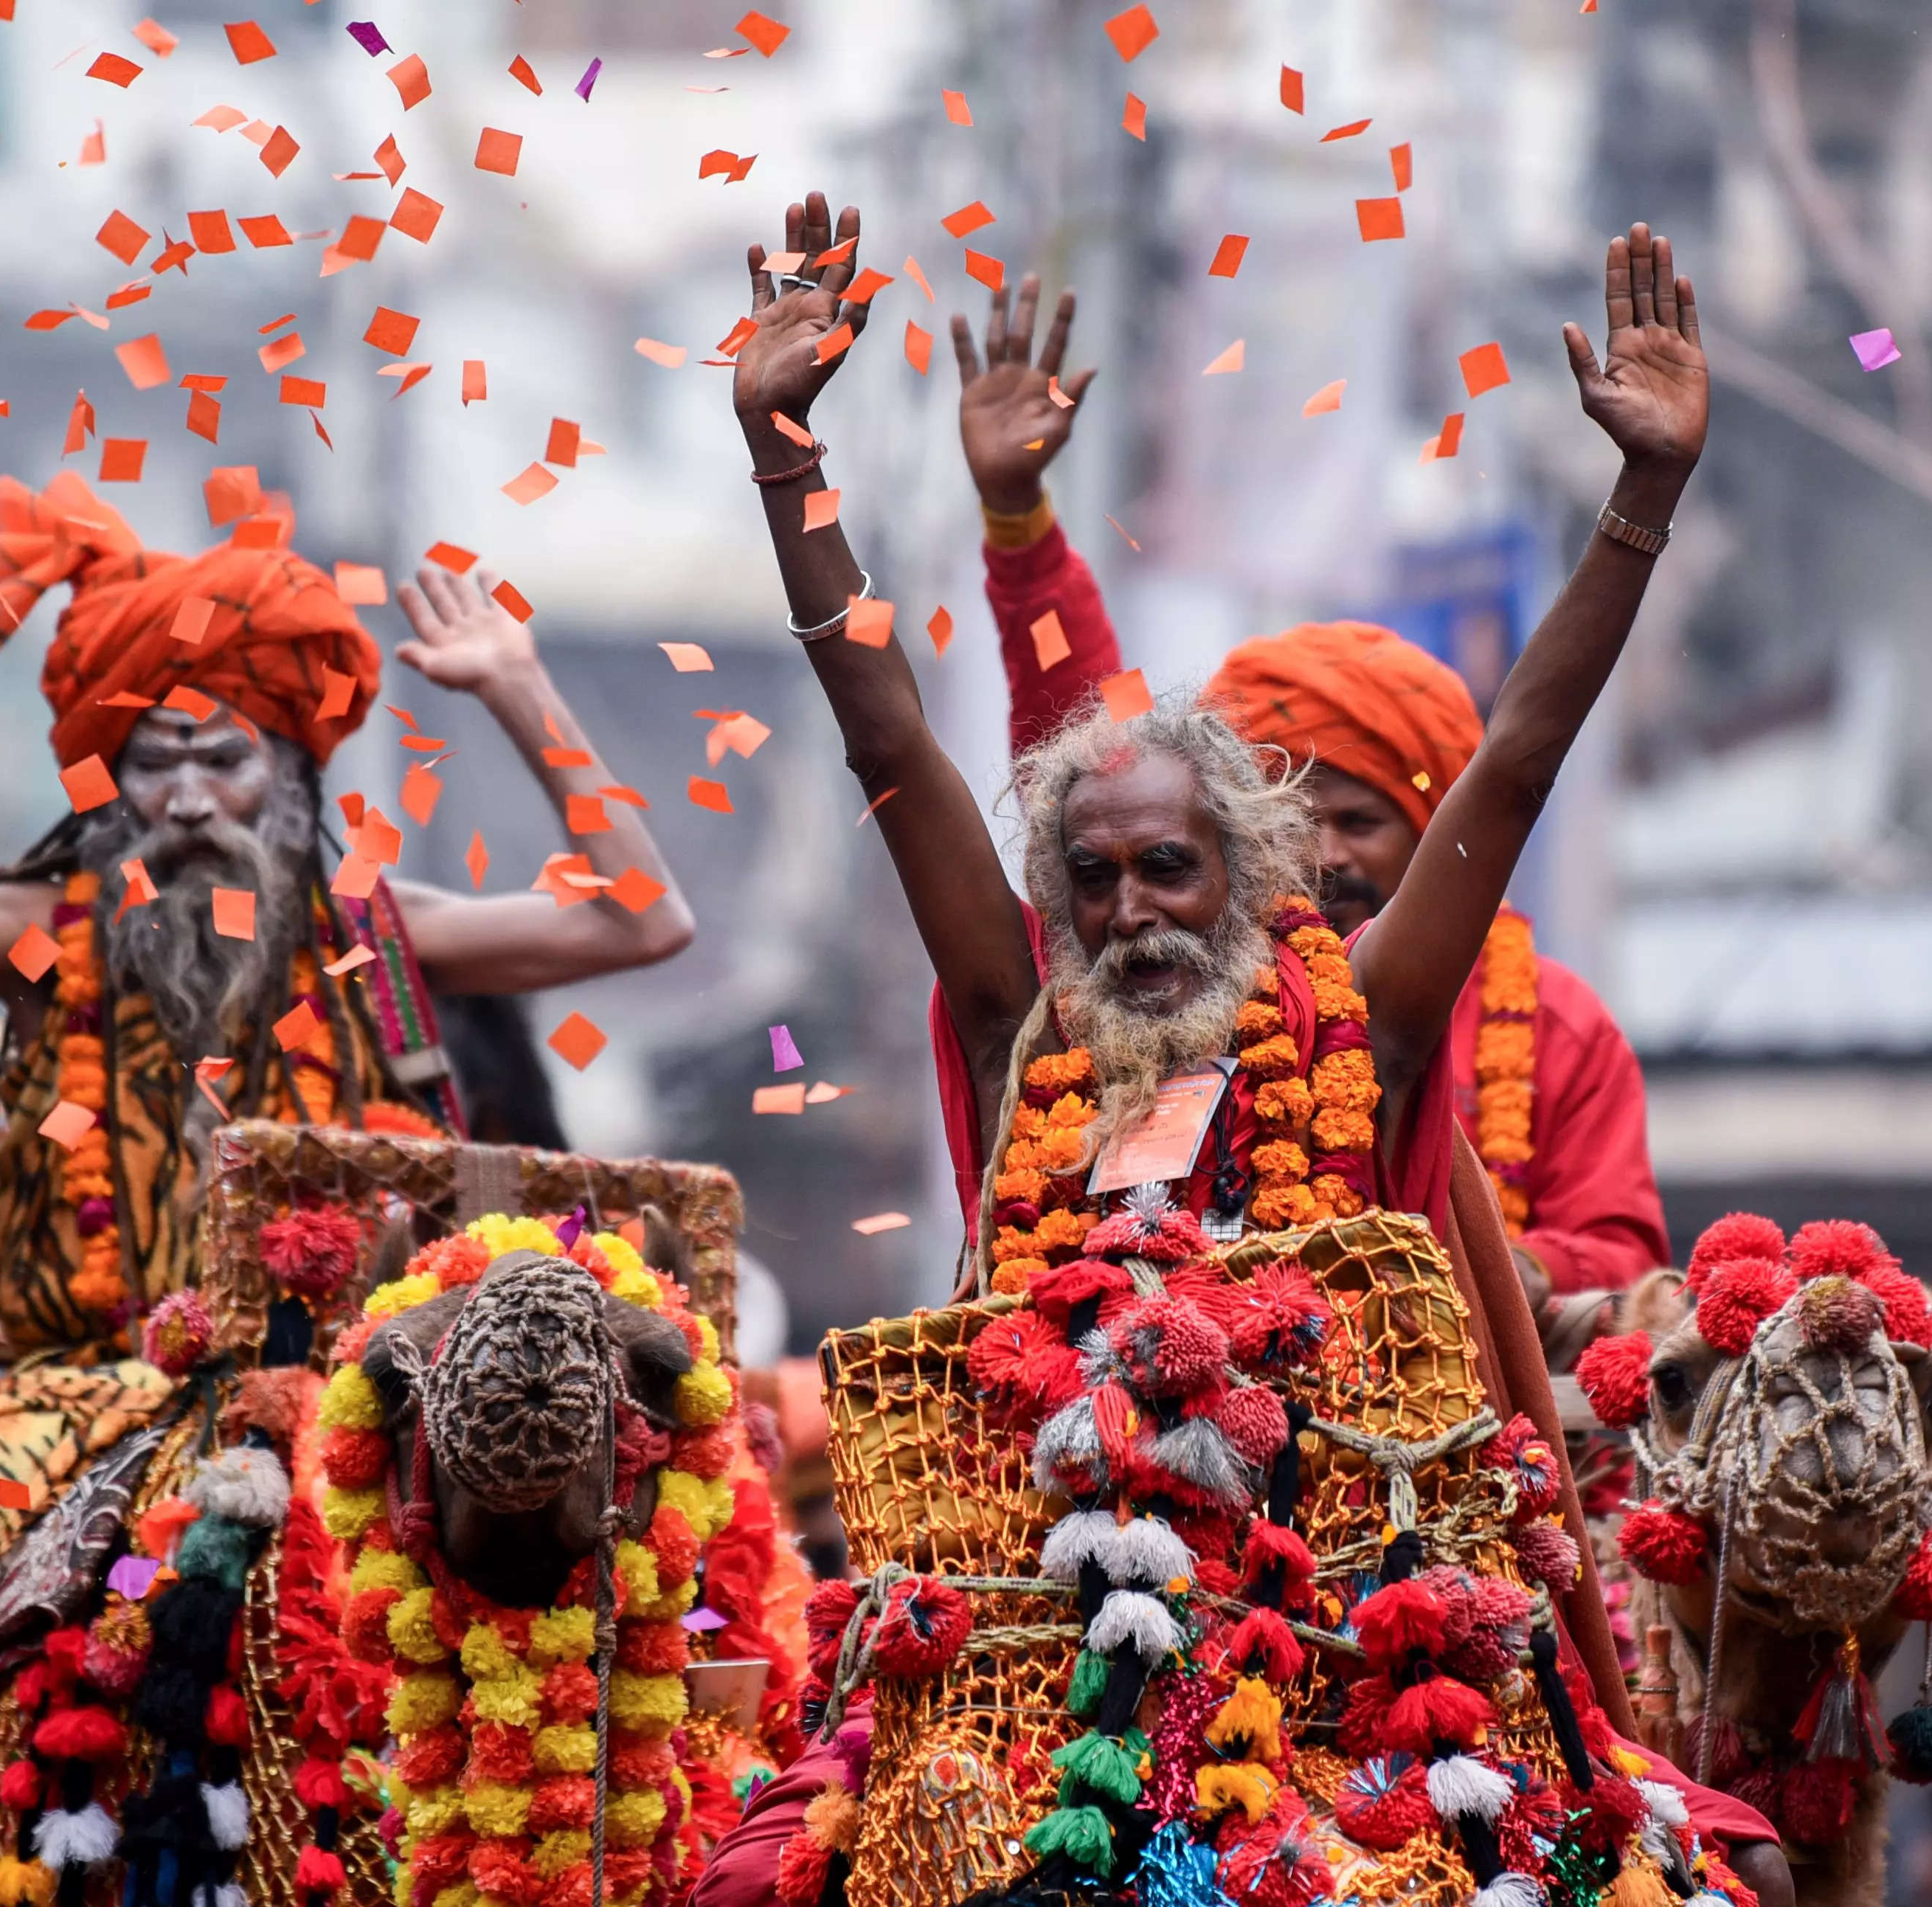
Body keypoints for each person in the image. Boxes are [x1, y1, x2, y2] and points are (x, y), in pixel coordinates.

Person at [699, 187, 1790, 1907]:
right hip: (1028, 1657)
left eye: (1167, 869)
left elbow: (1507, 762)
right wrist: (781, 458)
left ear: (1248, 876)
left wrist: (1642, 498)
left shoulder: (1365, 1019)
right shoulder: (1023, 1024)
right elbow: (882, 729)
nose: (1131, 908)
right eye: (1094, 877)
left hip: (1356, 1638)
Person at [0, 473, 688, 1897]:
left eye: (223, 758)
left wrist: (524, 689)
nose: (182, 798)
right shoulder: (40, 929)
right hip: (69, 1404)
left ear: (291, 776)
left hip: (346, 1406)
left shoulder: (371, 930)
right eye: (151, 759)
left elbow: (644, 916)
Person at [939, 274, 1669, 1339]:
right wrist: (1019, 525)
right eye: (1286, 822)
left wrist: (1447, 1248)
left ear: (1436, 837)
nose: (1320, 856)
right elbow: (1087, 761)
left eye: (1357, 819)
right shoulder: (1155, 1004)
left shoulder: (1507, 1019)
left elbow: (1517, 763)